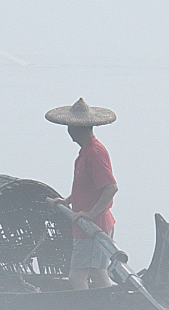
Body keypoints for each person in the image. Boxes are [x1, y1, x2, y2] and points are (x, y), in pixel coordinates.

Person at [45, 97, 118, 289]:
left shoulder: (95, 152)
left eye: (70, 127)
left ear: (75, 129)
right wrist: (67, 201)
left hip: (93, 227)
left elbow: (111, 187)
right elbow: (86, 187)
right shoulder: (85, 151)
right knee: (97, 272)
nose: (69, 131)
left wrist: (91, 215)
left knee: (76, 277)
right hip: (87, 225)